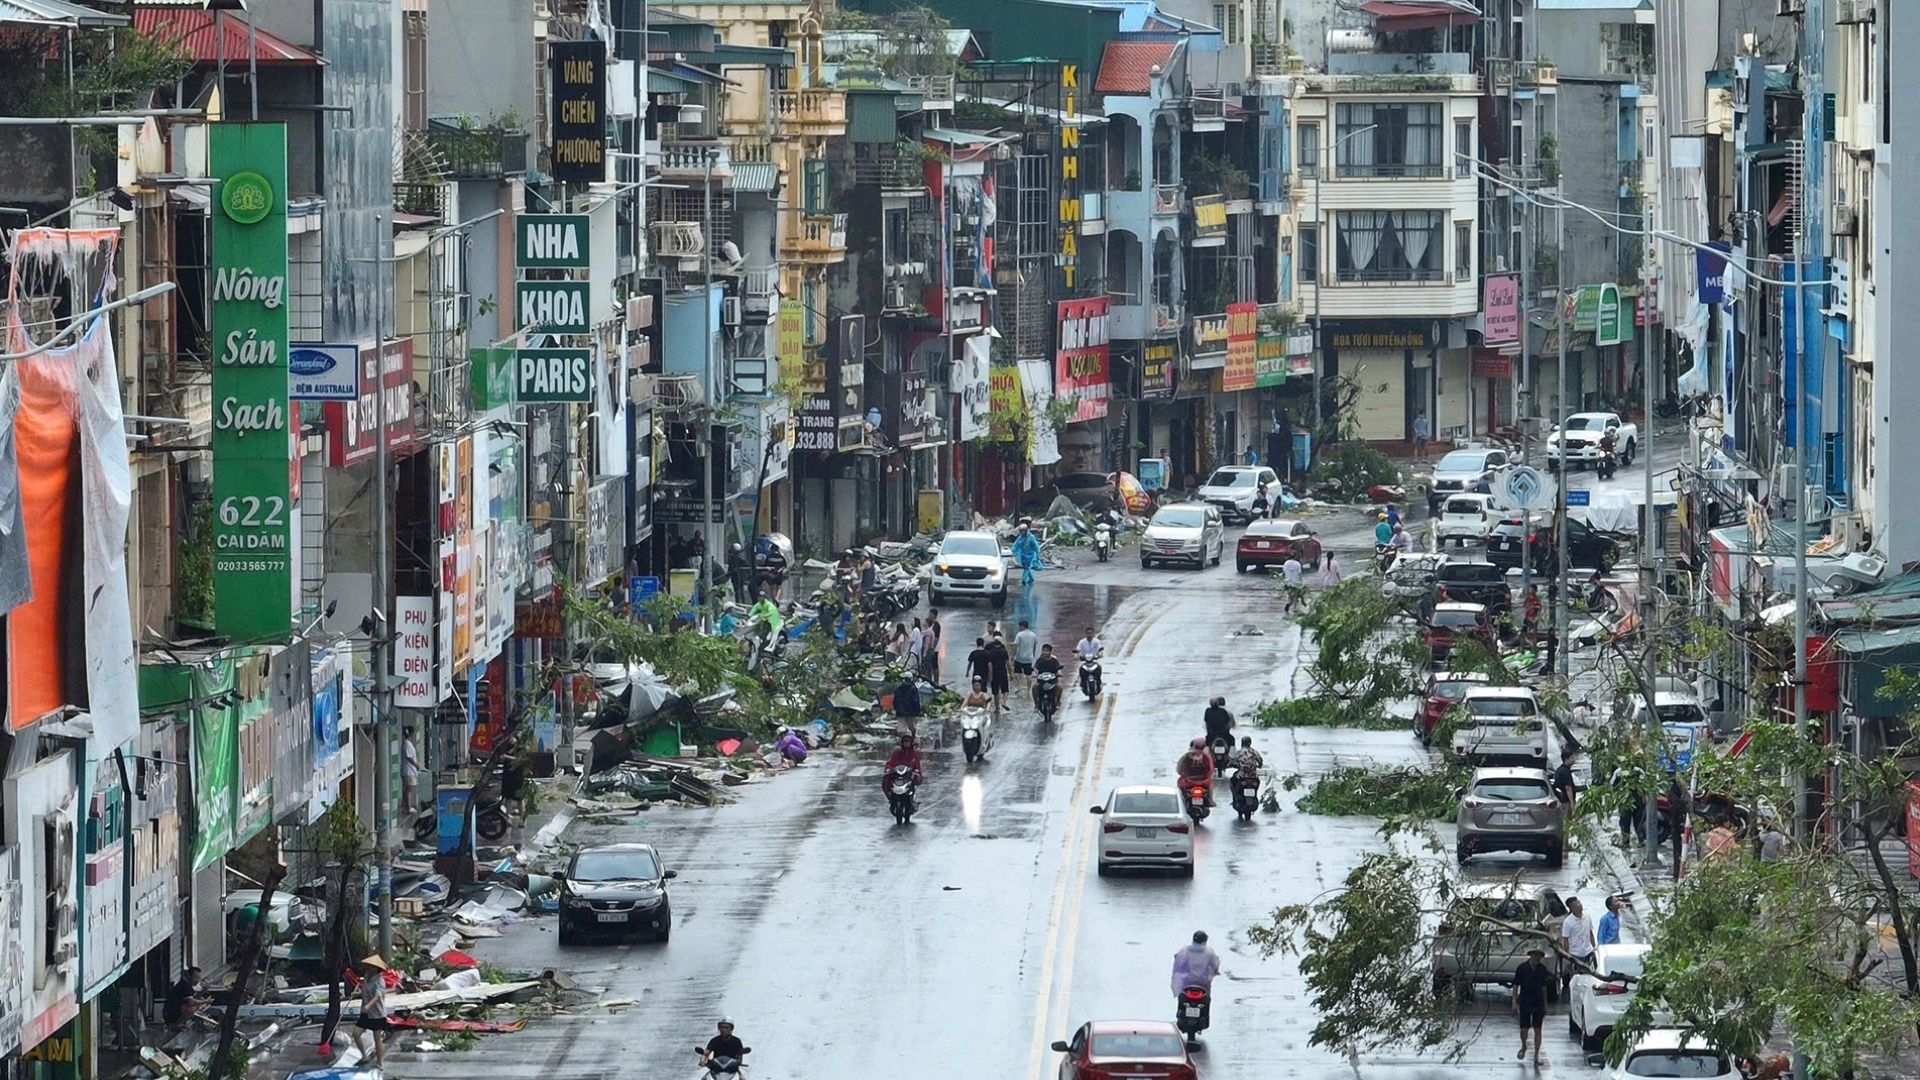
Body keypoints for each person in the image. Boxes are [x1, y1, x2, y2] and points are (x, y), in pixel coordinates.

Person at [1511, 948, 1551, 1065]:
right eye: (1535, 955)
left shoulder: (1542, 969)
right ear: (1531, 956)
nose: (1537, 958)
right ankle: (1524, 1045)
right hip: (1525, 1001)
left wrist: (1545, 1003)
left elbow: (1544, 987)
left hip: (1538, 1002)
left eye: (1539, 956)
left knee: (1538, 1029)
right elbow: (1515, 985)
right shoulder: (1522, 968)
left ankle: (1536, 1055)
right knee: (1524, 1029)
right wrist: (1514, 1002)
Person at [354, 955, 394, 1067]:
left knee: (377, 1038)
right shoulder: (367, 977)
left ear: (376, 968)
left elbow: (378, 996)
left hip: (377, 1014)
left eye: (371, 966)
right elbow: (365, 991)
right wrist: (357, 994)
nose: (369, 968)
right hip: (366, 1013)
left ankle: (380, 1062)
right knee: (356, 1034)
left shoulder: (380, 980)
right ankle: (364, 1056)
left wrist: (368, 1006)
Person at [1560, 897, 1596, 996]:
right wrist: (1567, 956)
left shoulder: (1587, 917)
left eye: (1579, 902)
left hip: (1588, 952)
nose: (1580, 905)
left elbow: (1590, 932)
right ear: (1571, 907)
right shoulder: (1568, 922)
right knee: (1576, 979)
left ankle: (1587, 995)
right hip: (1576, 954)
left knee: (1589, 976)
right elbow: (1565, 940)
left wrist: (1594, 947)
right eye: (1576, 904)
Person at [1170, 930, 1222, 996]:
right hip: (1203, 982)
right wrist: (1215, 971)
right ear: (1205, 940)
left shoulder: (1184, 950)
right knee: (1206, 996)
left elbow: (1178, 967)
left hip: (1187, 982)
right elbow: (1215, 964)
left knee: (1181, 995)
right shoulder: (1209, 952)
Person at [984, 633, 1011, 709]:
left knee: (995, 692)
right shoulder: (1004, 651)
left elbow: (990, 664)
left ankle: (997, 708)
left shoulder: (991, 653)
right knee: (1005, 690)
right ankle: (1004, 701)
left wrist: (990, 674)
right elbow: (1008, 663)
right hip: (1003, 672)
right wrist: (1011, 673)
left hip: (995, 674)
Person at [921, 610, 945, 686]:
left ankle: (936, 681)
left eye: (930, 615)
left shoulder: (936, 625)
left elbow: (936, 638)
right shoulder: (930, 626)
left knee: (934, 664)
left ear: (934, 615)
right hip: (931, 648)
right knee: (930, 664)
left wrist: (932, 648)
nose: (929, 616)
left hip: (934, 648)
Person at [401, 727, 422, 811]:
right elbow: (409, 757)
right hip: (409, 770)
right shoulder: (407, 744)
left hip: (410, 771)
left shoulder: (408, 744)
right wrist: (416, 765)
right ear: (411, 734)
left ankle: (407, 805)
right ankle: (408, 807)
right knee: (409, 788)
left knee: (409, 788)